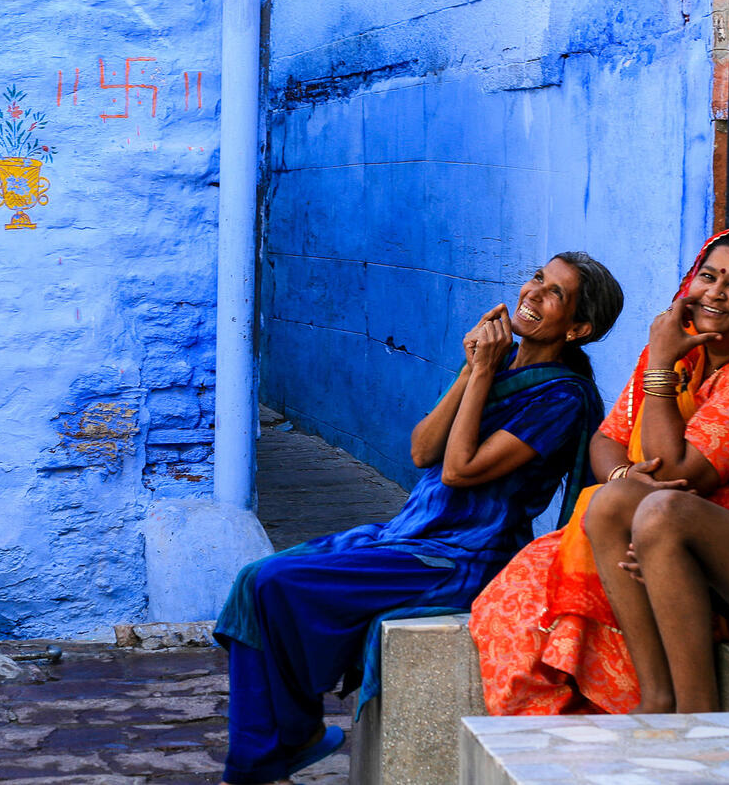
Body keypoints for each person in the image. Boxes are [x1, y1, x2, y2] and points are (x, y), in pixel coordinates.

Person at [214, 253, 623, 785]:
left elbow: (459, 470)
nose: (534, 292)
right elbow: (423, 449)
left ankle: (256, 763)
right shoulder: (498, 365)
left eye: (555, 294)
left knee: (273, 582)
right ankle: (294, 736)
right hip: (408, 535)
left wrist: (479, 372)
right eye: (537, 278)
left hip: (463, 555)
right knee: (254, 583)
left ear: (579, 328)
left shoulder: (562, 397)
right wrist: (474, 368)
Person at [471, 225, 729, 715]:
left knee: (575, 597)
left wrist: (663, 365)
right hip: (636, 527)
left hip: (719, 549)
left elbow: (675, 476)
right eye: (708, 276)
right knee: (512, 598)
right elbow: (608, 439)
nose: (715, 293)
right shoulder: (679, 349)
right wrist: (625, 476)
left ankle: (667, 705)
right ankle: (620, 718)